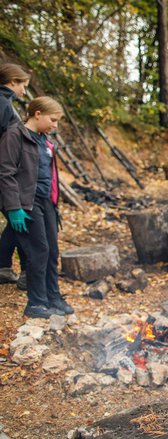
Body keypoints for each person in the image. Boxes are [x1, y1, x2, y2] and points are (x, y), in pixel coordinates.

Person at [0, 96, 74, 318]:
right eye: (53, 120)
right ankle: (36, 303)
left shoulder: (44, 140)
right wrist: (13, 208)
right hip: (26, 203)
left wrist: (53, 202)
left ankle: (53, 297)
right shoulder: (14, 136)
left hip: (46, 202)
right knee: (38, 251)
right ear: (37, 114)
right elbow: (5, 173)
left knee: (52, 251)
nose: (55, 125)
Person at [0, 63, 30, 287]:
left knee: (15, 221)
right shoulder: (2, 103)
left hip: (7, 173)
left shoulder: (5, 102)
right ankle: (29, 274)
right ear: (12, 82)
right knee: (21, 221)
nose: (24, 91)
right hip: (7, 174)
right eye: (23, 86)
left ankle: (4, 267)